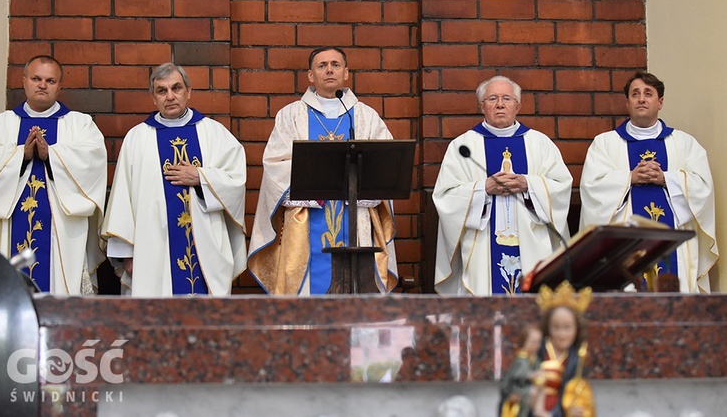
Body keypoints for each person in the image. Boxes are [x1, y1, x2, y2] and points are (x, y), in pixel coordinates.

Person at [248, 47, 398, 295]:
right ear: (310, 75)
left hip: (356, 221)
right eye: (322, 65)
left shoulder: (366, 116)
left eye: (336, 65)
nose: (329, 70)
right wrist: (312, 191)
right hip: (306, 220)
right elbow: (276, 165)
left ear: (346, 73)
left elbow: (386, 164)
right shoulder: (291, 115)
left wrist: (362, 189)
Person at [101, 62, 247, 296]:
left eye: (176, 88)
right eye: (162, 90)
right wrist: (126, 254)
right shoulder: (137, 138)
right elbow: (122, 200)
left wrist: (201, 177)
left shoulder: (214, 133)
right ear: (153, 97)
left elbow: (236, 182)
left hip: (205, 249)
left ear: (188, 92)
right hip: (152, 252)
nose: (170, 96)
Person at [0, 55, 106, 294]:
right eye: (36, 78)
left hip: (62, 239)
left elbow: (93, 163)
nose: (42, 85)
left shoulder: (80, 125)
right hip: (9, 233)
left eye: (50, 80)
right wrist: (21, 156)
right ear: (24, 80)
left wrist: (52, 156)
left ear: (60, 86)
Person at [433, 75, 573, 296]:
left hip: (531, 245)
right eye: (492, 99)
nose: (500, 104)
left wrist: (528, 183)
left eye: (506, 98)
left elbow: (561, 187)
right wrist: (483, 188)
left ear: (517, 106)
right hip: (482, 250)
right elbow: (445, 197)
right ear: (482, 107)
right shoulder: (462, 146)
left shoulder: (540, 143)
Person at [579, 71, 718, 292]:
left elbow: (702, 187)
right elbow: (591, 189)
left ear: (660, 102)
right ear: (627, 102)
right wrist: (629, 178)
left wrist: (666, 178)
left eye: (648, 93)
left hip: (676, 249)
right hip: (623, 247)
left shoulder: (684, 143)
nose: (641, 99)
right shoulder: (604, 144)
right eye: (635, 94)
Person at [533, 281, 595, 417]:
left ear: (576, 329)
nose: (562, 334)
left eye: (567, 328)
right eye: (556, 327)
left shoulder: (577, 358)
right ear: (548, 327)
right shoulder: (538, 351)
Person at [499, 324, 542, 417]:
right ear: (524, 342)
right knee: (532, 393)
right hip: (515, 388)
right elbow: (517, 375)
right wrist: (531, 375)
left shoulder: (534, 358)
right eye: (533, 342)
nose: (536, 345)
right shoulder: (521, 359)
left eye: (538, 342)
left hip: (526, 387)